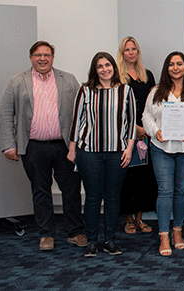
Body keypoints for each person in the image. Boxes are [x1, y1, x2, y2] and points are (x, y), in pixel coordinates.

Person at [0, 41, 86, 251]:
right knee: (40, 190)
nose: (42, 59)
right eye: (38, 55)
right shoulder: (17, 81)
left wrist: (81, 143)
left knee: (71, 189)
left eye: (47, 55)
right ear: (31, 57)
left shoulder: (68, 79)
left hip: (65, 146)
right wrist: (9, 145)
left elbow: (82, 112)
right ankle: (46, 234)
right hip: (34, 146)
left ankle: (75, 232)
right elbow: (5, 114)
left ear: (53, 57)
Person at [68, 52, 136, 257]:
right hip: (89, 152)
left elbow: (132, 122)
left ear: (114, 67)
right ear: (94, 69)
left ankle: (110, 239)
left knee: (113, 197)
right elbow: (76, 120)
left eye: (108, 65)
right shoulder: (86, 90)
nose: (105, 69)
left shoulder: (126, 90)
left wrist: (129, 148)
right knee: (92, 197)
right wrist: (72, 149)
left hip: (118, 152)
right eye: (100, 66)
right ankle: (91, 241)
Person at [142, 52, 184, 256]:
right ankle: (164, 235)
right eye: (171, 64)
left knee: (180, 191)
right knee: (165, 191)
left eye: (179, 64)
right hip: (162, 148)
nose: (175, 67)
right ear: (167, 68)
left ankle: (177, 232)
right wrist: (156, 131)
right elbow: (146, 116)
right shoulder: (156, 91)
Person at [116, 36, 157, 235]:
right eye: (127, 49)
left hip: (146, 135)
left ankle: (140, 219)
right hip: (124, 135)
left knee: (144, 177)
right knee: (126, 177)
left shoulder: (147, 75)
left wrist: (146, 129)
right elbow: (116, 109)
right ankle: (129, 219)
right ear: (122, 53)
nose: (131, 52)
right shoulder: (116, 76)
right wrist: (135, 129)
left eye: (134, 49)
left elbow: (153, 105)